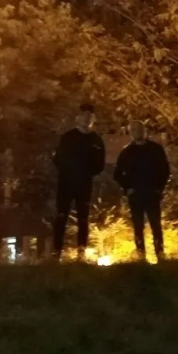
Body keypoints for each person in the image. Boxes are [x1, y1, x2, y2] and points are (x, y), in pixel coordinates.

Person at [52, 103, 106, 260]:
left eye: (89, 117)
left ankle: (81, 253)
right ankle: (56, 253)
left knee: (83, 218)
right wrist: (69, 171)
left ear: (93, 119)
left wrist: (86, 172)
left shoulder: (96, 140)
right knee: (61, 216)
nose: (86, 119)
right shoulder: (67, 137)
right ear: (78, 118)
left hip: (84, 184)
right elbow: (58, 159)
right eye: (83, 116)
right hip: (66, 183)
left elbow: (100, 163)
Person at [114, 121, 171, 262]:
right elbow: (117, 174)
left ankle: (160, 254)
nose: (136, 132)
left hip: (152, 193)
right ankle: (141, 256)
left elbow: (164, 170)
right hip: (136, 195)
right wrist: (128, 189)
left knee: (155, 225)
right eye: (133, 130)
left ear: (144, 130)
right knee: (138, 226)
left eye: (138, 129)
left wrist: (159, 189)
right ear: (130, 133)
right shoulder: (127, 152)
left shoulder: (155, 149)